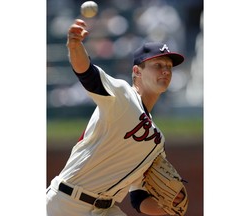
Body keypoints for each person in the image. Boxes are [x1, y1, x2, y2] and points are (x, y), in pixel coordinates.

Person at [46, 19, 186, 216]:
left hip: (106, 209)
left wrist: (167, 207)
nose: (165, 70)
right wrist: (75, 45)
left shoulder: (157, 142)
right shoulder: (122, 95)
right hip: (67, 203)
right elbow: (88, 74)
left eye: (169, 67)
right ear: (137, 71)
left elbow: (138, 197)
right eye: (158, 65)